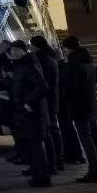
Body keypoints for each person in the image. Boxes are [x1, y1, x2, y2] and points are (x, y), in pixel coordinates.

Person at [61, 36, 97, 183]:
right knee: (96, 138)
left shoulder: (73, 64)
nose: (64, 51)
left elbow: (71, 88)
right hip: (91, 104)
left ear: (69, 48)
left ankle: (94, 171)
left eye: (65, 48)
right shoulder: (88, 62)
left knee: (86, 139)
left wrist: (65, 95)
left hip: (79, 107)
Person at [6, 40, 52, 187]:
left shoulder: (28, 65)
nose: (13, 52)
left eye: (16, 50)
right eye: (12, 50)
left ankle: (42, 177)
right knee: (32, 145)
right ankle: (37, 173)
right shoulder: (20, 66)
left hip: (31, 113)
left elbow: (43, 86)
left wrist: (28, 102)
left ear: (23, 51)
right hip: (24, 113)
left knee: (36, 146)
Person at [30, 35, 64, 173]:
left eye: (31, 45)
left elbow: (43, 82)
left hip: (46, 100)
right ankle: (58, 159)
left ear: (36, 46)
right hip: (53, 98)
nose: (30, 48)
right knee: (54, 130)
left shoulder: (41, 60)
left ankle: (54, 162)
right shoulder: (50, 57)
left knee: (50, 131)